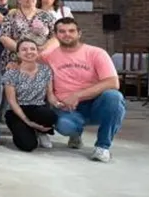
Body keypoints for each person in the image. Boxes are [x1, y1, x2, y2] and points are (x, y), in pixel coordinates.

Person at [42, 18, 124, 162]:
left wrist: (77, 95)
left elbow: (113, 82)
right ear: (55, 35)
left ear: (79, 33)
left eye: (71, 31)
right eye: (62, 31)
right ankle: (76, 134)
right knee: (65, 126)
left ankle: (102, 147)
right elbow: (28, 61)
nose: (67, 34)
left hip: (96, 104)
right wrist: (14, 64)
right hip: (66, 108)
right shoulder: (48, 56)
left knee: (114, 97)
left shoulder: (96, 53)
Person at [2, 40, 60, 152]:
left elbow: (50, 95)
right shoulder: (11, 73)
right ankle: (27, 129)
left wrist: (58, 104)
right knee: (28, 146)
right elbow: (12, 102)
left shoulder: (45, 70)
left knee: (50, 115)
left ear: (37, 52)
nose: (29, 52)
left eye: (32, 49)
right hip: (17, 112)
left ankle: (42, 131)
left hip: (37, 109)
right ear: (18, 54)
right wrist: (27, 121)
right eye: (24, 49)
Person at [0, 0, 56, 71]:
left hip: (41, 59)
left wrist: (43, 48)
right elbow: (3, 37)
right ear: (19, 0)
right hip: (15, 60)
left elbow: (56, 37)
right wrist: (23, 51)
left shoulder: (47, 16)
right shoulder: (11, 15)